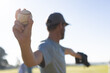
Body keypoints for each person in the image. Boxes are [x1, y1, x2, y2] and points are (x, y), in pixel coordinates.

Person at [13, 9, 83, 73]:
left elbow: (70, 51)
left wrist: (80, 56)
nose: (65, 29)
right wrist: (24, 43)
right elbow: (31, 61)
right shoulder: (47, 46)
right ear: (60, 25)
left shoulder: (59, 47)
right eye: (64, 26)